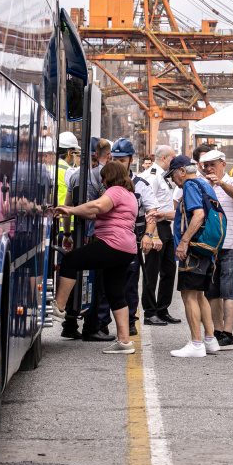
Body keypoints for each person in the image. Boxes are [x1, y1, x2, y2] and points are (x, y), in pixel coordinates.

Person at [51, 161, 139, 354]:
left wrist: (71, 209)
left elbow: (98, 206)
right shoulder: (130, 195)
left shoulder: (115, 191)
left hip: (112, 244)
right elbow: (96, 214)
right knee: (116, 293)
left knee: (71, 260)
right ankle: (124, 341)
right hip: (127, 249)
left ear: (112, 177)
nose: (102, 181)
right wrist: (76, 212)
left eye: (104, 177)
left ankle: (59, 306)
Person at [165, 156, 222, 357]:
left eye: (173, 175)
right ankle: (209, 339)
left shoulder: (189, 185)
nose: (173, 180)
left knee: (188, 294)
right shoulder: (204, 185)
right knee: (199, 294)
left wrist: (183, 242)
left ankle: (196, 343)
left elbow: (197, 215)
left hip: (194, 248)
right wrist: (162, 215)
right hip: (206, 247)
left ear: (181, 171)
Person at [61, 138, 116, 342]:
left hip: (80, 234)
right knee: (96, 282)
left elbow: (67, 207)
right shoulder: (109, 176)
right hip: (100, 235)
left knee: (76, 278)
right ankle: (92, 327)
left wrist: (67, 234)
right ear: (108, 155)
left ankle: (69, 322)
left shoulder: (75, 176)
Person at [107, 138, 161, 337]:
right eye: (116, 159)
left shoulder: (141, 184)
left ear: (131, 160)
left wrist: (148, 235)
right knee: (106, 282)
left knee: (129, 283)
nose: (119, 163)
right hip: (108, 240)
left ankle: (130, 321)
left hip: (131, 242)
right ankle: (102, 322)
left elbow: (152, 212)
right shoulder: (104, 182)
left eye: (123, 160)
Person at [200, 150, 233, 350]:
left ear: (223, 164)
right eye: (205, 165)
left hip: (230, 243)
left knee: (229, 291)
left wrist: (220, 183)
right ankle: (217, 331)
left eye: (212, 164)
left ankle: (228, 333)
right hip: (211, 245)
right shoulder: (203, 185)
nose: (209, 169)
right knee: (212, 291)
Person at [139, 145, 181, 326]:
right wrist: (153, 234)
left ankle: (162, 309)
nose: (174, 161)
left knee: (169, 269)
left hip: (165, 225)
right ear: (164, 158)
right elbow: (149, 207)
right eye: (172, 158)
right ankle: (149, 311)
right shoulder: (152, 176)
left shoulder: (162, 177)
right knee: (152, 270)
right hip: (156, 226)